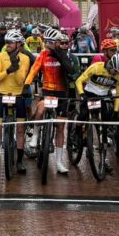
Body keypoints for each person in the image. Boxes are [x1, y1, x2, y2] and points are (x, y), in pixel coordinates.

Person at [25, 28, 75, 174]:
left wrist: (60, 56)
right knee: (40, 109)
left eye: (50, 42)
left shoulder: (64, 54)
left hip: (62, 92)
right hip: (47, 90)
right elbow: (34, 70)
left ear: (57, 43)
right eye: (46, 41)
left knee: (60, 127)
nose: (47, 44)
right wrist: (26, 85)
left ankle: (59, 162)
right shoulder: (43, 54)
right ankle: (35, 136)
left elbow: (70, 70)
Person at [0, 28, 33, 175]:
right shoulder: (1, 56)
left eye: (10, 42)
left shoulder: (25, 58)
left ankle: (19, 161)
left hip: (18, 95)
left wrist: (17, 65)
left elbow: (21, 80)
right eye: (6, 42)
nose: (7, 44)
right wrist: (8, 70)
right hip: (2, 95)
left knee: (20, 130)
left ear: (19, 44)